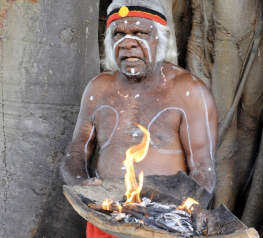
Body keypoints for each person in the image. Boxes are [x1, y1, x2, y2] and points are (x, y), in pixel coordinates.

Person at [60, 0, 218, 237]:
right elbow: (75, 153)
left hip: (165, 221)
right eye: (119, 34)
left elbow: (203, 166)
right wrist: (82, 184)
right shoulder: (98, 89)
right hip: (107, 216)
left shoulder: (188, 92)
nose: (128, 43)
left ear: (160, 40)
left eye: (140, 33)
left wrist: (188, 209)